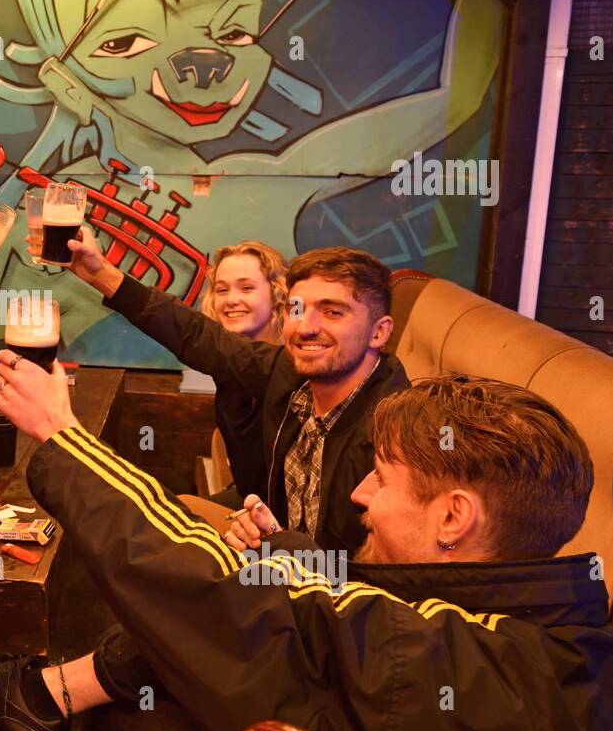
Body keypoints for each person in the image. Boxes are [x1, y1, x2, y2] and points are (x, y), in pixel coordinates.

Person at [0, 360, 613, 731]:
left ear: (453, 515)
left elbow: (232, 595)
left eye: (381, 478)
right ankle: (42, 697)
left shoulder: (464, 663)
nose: (360, 494)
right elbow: (343, 603)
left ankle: (37, 698)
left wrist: (63, 435)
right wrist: (287, 546)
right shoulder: (539, 631)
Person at [58, 234, 409, 553]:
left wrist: (274, 553)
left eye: (333, 312)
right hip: (277, 563)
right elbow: (195, 335)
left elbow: (378, 573)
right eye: (298, 310)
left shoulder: (395, 433)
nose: (307, 327)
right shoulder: (286, 372)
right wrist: (97, 273)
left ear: (379, 333)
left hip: (328, 604)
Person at [195, 240, 288, 498]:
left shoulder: (291, 368)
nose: (231, 300)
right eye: (222, 290)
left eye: (247, 288)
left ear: (278, 293)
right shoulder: (229, 364)